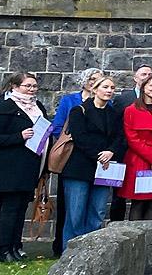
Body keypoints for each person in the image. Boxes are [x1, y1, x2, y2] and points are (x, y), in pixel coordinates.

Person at [0, 72, 47, 262]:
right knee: (9, 210)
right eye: (28, 86)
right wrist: (18, 137)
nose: (32, 89)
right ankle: (4, 251)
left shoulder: (37, 106)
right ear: (14, 86)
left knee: (20, 210)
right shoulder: (3, 106)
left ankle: (14, 247)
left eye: (34, 86)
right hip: (8, 167)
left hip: (29, 164)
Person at [62, 75, 125, 249]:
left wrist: (111, 151)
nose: (109, 91)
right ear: (95, 89)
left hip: (105, 169)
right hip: (80, 168)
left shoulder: (114, 114)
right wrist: (99, 154)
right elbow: (80, 138)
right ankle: (70, 251)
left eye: (112, 88)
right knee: (75, 213)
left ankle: (91, 251)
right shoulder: (79, 110)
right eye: (105, 87)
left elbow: (120, 137)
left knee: (97, 212)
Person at [50, 67, 104, 255]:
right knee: (73, 209)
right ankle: (65, 250)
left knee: (94, 210)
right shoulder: (71, 102)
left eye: (98, 80)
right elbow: (57, 127)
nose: (94, 82)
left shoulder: (108, 106)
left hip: (97, 162)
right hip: (74, 159)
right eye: (92, 79)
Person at [119, 73, 152, 221]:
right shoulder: (131, 110)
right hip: (140, 159)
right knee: (138, 202)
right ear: (144, 87)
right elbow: (132, 138)